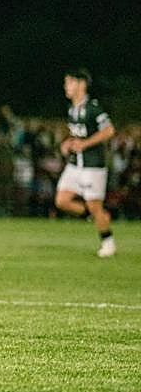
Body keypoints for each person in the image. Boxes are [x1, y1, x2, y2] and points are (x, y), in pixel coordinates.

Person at [55, 68, 116, 258]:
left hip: (93, 165)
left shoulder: (93, 107)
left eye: (69, 82)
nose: (66, 86)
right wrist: (68, 143)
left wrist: (85, 144)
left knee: (95, 205)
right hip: (75, 164)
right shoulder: (72, 109)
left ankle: (108, 242)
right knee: (62, 200)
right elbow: (78, 134)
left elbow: (109, 130)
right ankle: (95, 216)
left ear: (81, 84)